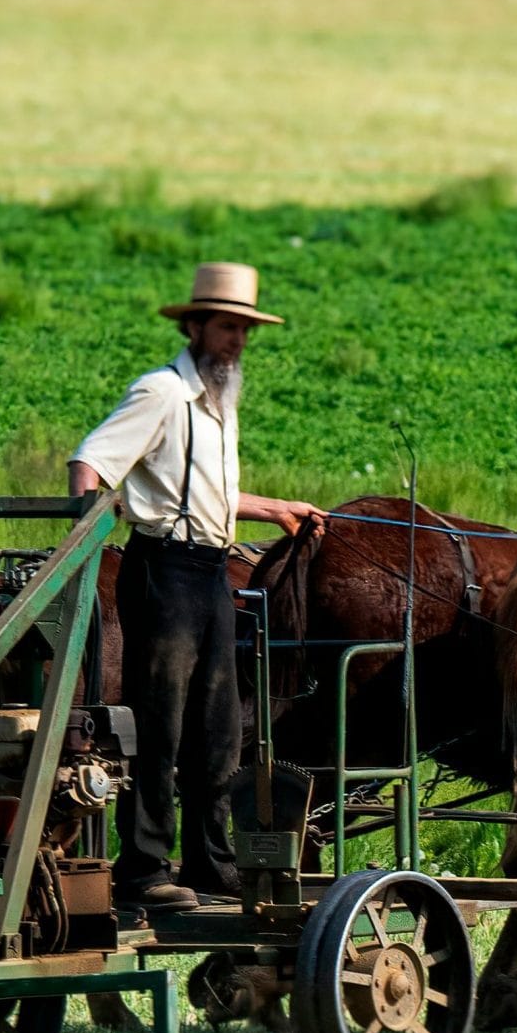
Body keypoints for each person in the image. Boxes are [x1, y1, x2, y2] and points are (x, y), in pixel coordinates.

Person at [67, 261, 326, 914]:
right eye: (226, 327)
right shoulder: (161, 392)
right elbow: (91, 460)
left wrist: (274, 509)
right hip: (164, 571)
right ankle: (144, 869)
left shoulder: (218, 403)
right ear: (194, 325)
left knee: (216, 728)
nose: (236, 340)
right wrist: (86, 531)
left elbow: (209, 493)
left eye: (244, 329)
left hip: (210, 570)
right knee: (162, 723)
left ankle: (210, 863)